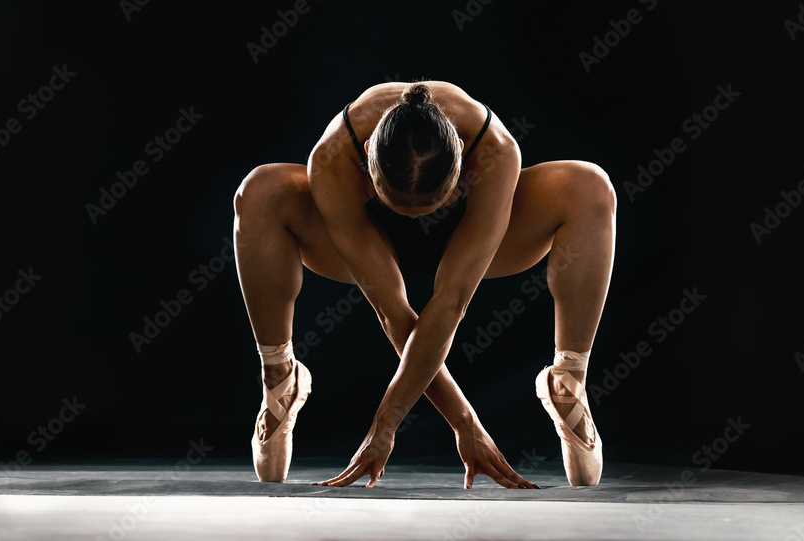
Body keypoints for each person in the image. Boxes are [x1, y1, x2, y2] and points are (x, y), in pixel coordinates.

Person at [233, 81, 616, 488]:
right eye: (398, 204)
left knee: (588, 185)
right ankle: (279, 377)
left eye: (430, 206)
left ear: (466, 169)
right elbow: (392, 310)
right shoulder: (332, 157)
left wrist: (392, 422)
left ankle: (569, 380)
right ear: (366, 159)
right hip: (366, 244)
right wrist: (459, 422)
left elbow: (450, 304)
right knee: (261, 189)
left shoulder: (495, 150)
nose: (414, 218)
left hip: (468, 243)